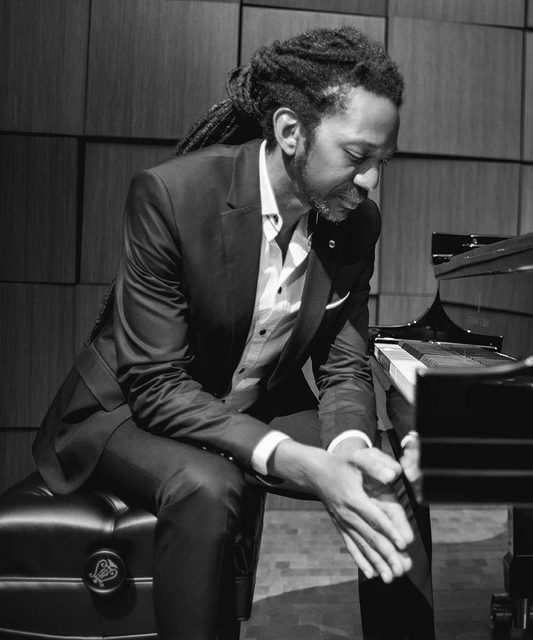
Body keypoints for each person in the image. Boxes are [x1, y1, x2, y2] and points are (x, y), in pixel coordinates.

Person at [31, 26, 433, 640]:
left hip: (248, 400)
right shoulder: (172, 195)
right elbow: (156, 383)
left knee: (385, 477)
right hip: (124, 411)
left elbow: (343, 362)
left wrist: (349, 442)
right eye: (357, 156)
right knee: (208, 484)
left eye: (383, 162)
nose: (372, 181)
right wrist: (294, 458)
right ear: (291, 132)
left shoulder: (356, 222)